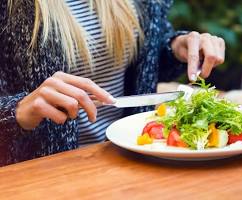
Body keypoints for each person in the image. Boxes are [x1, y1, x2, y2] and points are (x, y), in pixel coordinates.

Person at [0, 0, 225, 166]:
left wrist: (176, 48)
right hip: (47, 175)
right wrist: (16, 112)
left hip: (132, 165)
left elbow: (145, 60)